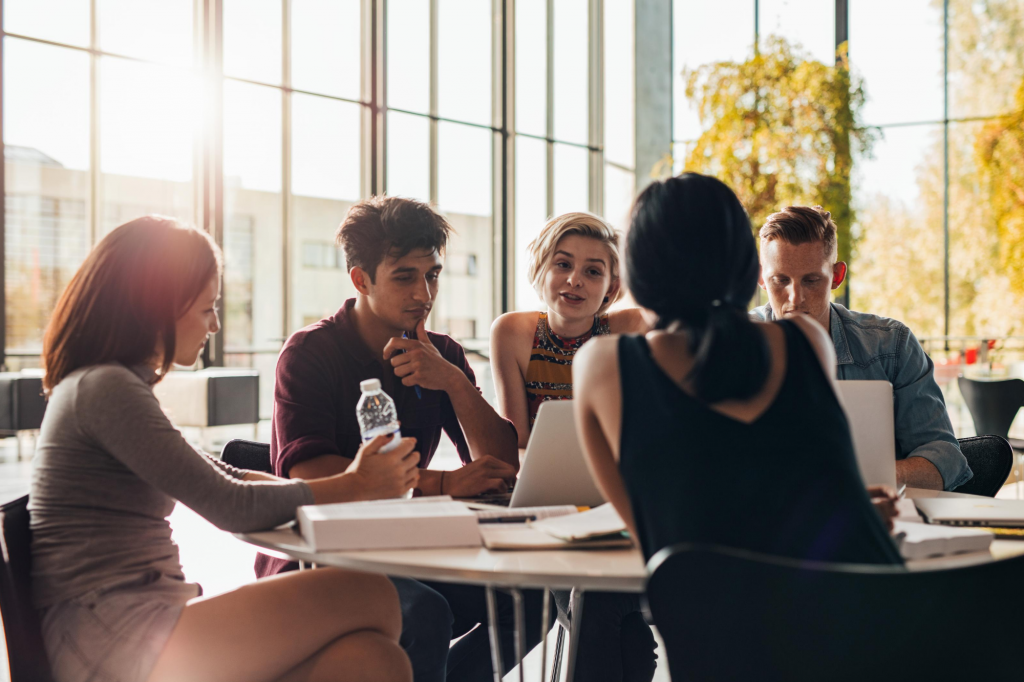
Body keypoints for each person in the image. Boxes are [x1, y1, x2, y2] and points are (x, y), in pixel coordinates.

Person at [30, 216, 416, 682]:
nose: (214, 324)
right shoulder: (105, 388)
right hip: (113, 639)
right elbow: (231, 505)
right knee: (368, 593)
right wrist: (354, 485)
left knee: (375, 661)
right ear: (157, 306)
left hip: (131, 627)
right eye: (206, 308)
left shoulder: (107, 384)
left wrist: (339, 485)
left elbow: (223, 477)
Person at [258, 195, 544, 682]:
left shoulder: (442, 352)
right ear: (361, 279)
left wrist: (453, 380)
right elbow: (309, 475)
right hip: (323, 554)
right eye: (405, 276)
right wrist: (441, 485)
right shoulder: (309, 353)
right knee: (426, 613)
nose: (424, 293)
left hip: (410, 546)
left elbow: (501, 464)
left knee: (531, 597)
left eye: (432, 275)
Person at [573, 173, 904, 568]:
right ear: (747, 266)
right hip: (862, 613)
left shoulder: (601, 366)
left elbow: (659, 539)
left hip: (715, 621)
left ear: (636, 269)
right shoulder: (808, 341)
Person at [489, 212, 656, 682]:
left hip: (617, 508)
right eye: (562, 264)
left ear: (612, 285)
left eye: (593, 271)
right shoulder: (514, 332)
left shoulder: (627, 327)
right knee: (611, 618)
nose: (574, 280)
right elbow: (517, 439)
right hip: (550, 510)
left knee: (608, 615)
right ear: (540, 269)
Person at [751, 205, 971, 492]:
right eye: (780, 280)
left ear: (837, 276)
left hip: (867, 516)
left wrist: (861, 476)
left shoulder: (892, 345)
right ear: (760, 278)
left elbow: (946, 461)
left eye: (812, 280)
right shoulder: (730, 344)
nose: (796, 298)